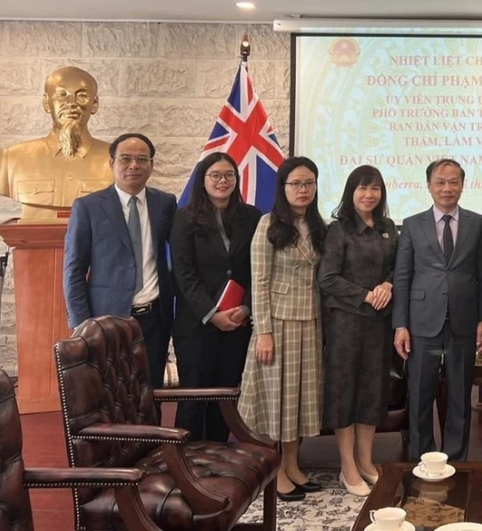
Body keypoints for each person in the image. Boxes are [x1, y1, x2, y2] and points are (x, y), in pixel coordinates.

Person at [237, 157, 327, 501]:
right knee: (277, 399)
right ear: (283, 188)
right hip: (278, 323)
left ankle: (292, 464)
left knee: (300, 399)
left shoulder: (320, 225)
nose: (302, 190)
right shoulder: (268, 224)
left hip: (311, 320)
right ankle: (274, 472)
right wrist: (263, 331)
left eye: (309, 184)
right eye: (295, 184)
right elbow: (258, 282)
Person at [392, 158, 482, 462]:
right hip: (422, 322)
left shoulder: (478, 223)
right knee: (421, 395)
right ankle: (425, 460)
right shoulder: (412, 224)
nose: (447, 188)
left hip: (463, 320)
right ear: (429, 186)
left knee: (461, 396)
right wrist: (400, 325)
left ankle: (456, 460)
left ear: (463, 185)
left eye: (453, 182)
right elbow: (402, 276)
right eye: (440, 182)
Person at [63, 133, 178, 390]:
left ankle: (151, 431)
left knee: (151, 392)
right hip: (106, 320)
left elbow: (176, 255)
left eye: (141, 159)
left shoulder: (165, 203)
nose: (133, 165)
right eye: (126, 159)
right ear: (112, 163)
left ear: (151, 165)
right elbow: (74, 271)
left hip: (155, 318)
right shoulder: (88, 207)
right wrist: (82, 326)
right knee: (111, 392)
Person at [170, 153, 262, 442]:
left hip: (238, 323)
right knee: (195, 397)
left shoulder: (252, 217)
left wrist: (245, 307)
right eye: (215, 175)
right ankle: (189, 462)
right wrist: (212, 313)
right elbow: (184, 274)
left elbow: (256, 267)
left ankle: (218, 456)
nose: (223, 181)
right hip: (196, 326)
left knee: (226, 395)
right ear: (203, 179)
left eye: (229, 175)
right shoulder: (184, 219)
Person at [319, 165, 398, 497]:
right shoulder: (339, 230)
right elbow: (327, 278)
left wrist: (388, 284)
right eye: (363, 188)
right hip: (345, 325)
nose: (369, 194)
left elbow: (397, 266)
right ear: (351, 192)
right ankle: (346, 466)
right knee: (344, 392)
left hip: (378, 324)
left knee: (372, 390)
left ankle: (366, 461)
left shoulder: (388, 227)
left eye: (375, 188)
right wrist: (365, 294)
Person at [0, 66, 113, 219]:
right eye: (62, 94)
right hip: (35, 239)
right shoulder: (11, 158)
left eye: (81, 95)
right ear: (47, 103)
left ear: (94, 104)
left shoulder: (117, 159)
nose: (71, 102)